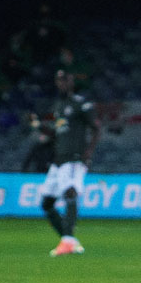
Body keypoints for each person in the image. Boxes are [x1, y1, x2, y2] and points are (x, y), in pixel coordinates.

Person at [37, 67, 97, 256]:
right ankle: (70, 239)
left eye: (65, 80)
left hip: (74, 157)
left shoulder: (80, 104)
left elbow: (96, 128)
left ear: (72, 82)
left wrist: (88, 153)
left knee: (70, 193)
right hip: (58, 160)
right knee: (47, 203)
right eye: (58, 80)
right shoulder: (58, 107)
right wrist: (38, 125)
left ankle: (67, 241)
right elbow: (56, 134)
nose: (61, 83)